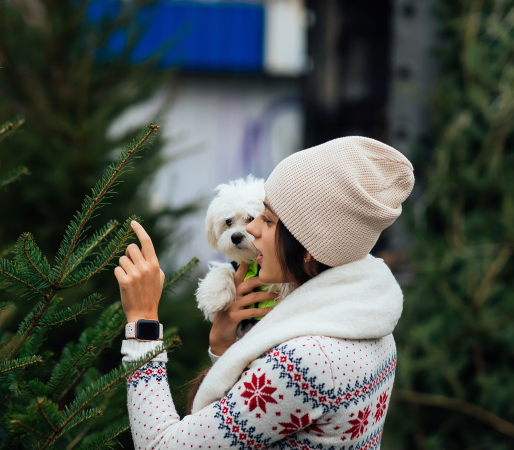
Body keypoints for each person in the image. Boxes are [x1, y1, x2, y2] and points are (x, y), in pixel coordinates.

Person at [114, 136, 414, 449]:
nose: (252, 230)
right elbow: (253, 427)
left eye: (267, 219)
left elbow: (160, 446)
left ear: (309, 249)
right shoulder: (368, 323)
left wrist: (143, 319)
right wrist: (223, 345)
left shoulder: (306, 362)